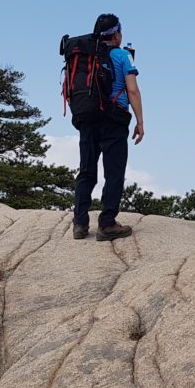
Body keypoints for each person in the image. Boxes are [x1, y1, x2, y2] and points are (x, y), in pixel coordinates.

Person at [72, 14, 145, 241]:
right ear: (116, 34)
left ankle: (80, 223)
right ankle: (107, 224)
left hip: (88, 118)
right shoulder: (123, 55)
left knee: (86, 171)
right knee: (114, 173)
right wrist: (140, 121)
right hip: (114, 120)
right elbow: (132, 90)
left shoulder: (83, 57)